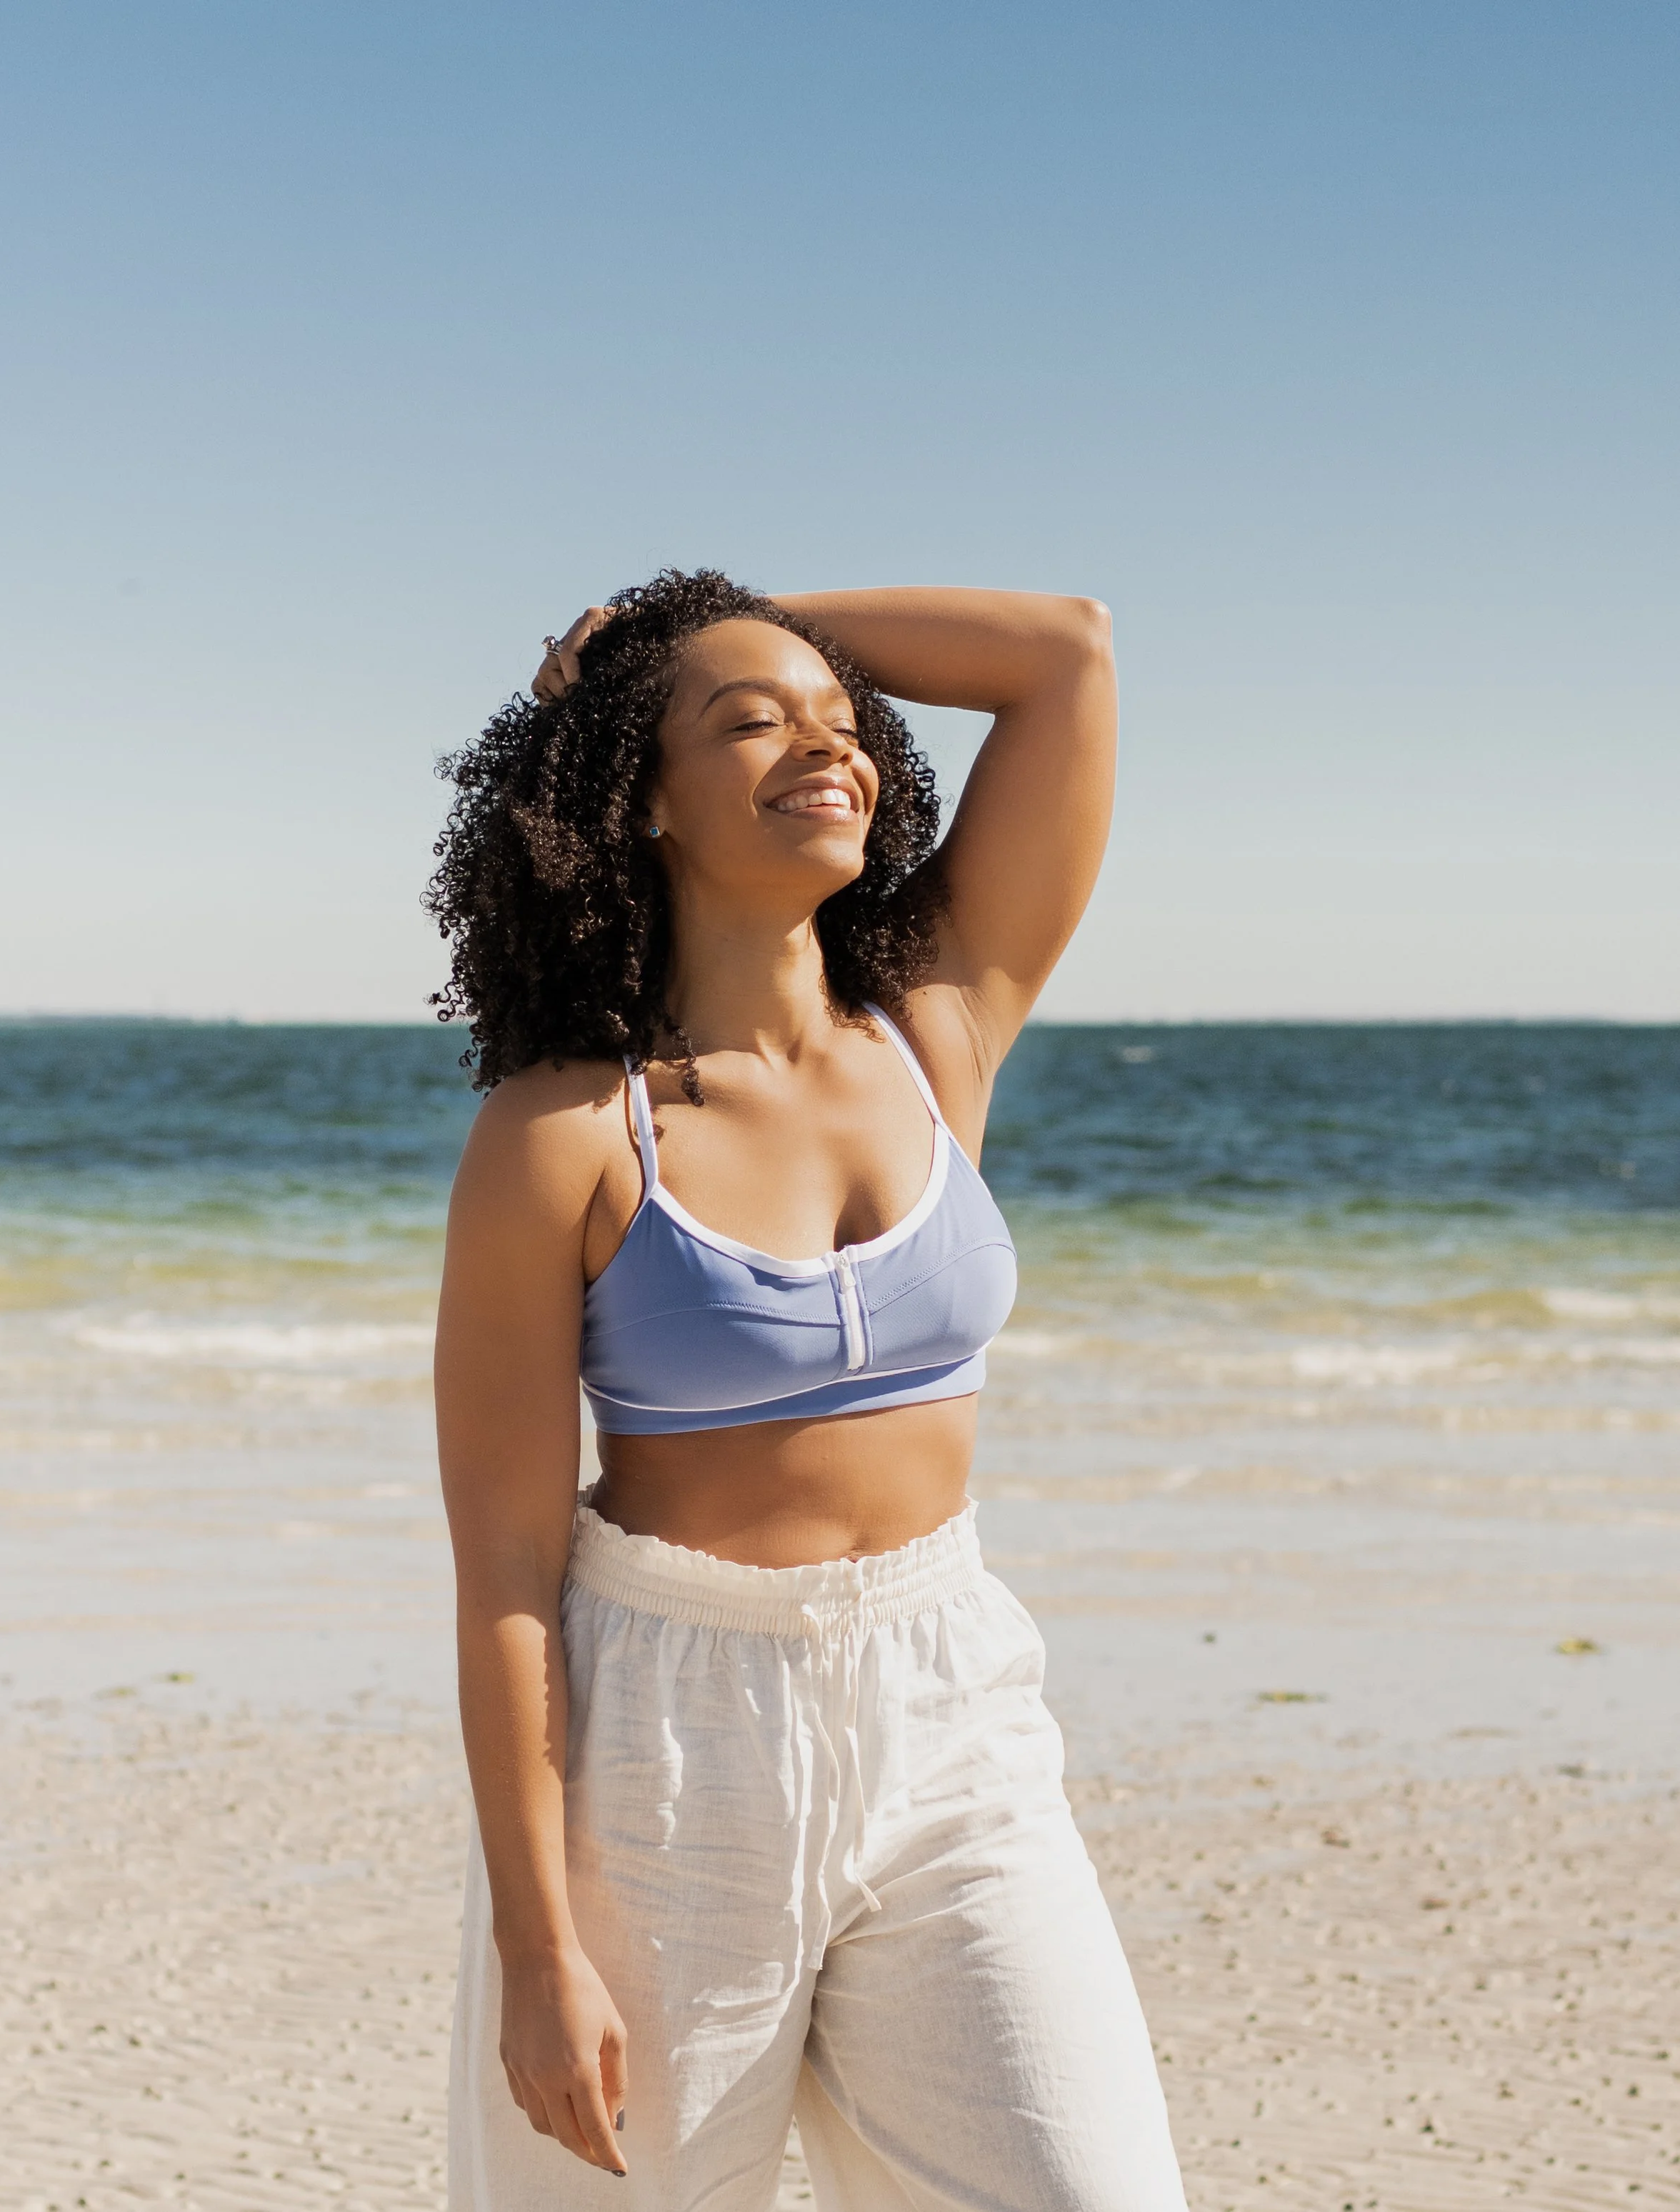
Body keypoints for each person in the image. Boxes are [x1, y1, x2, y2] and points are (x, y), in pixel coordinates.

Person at [429, 571, 1189, 2210]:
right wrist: (536, 1937)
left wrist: (723, 616)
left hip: (949, 1706)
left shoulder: (934, 1029)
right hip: (664, 1746)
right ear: (637, 793)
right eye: (752, 724)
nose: (822, 750)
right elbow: (501, 1569)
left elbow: (1062, 655)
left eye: (845, 723)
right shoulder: (562, 1134)